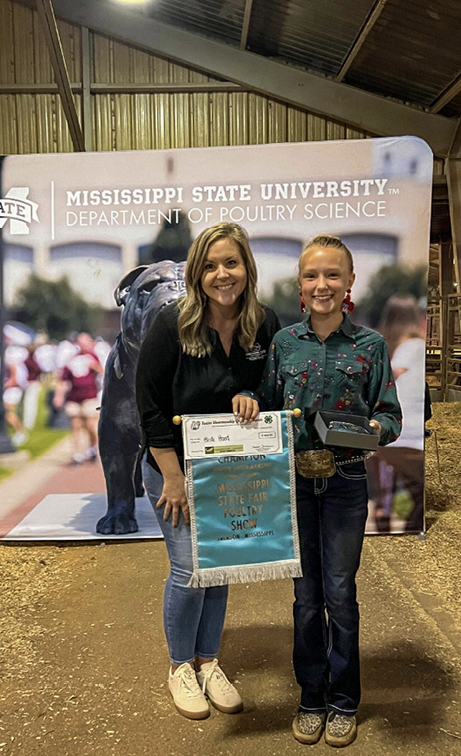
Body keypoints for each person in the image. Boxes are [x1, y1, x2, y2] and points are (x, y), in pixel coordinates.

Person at [252, 235, 402, 747]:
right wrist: (246, 401)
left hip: (345, 481)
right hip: (293, 480)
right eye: (312, 276)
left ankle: (343, 701)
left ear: (349, 283)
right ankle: (309, 696)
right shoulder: (283, 344)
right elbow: (266, 401)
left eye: (333, 275)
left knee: (340, 593)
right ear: (300, 285)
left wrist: (373, 431)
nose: (323, 285)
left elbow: (391, 416)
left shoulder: (371, 347)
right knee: (304, 596)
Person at [135, 222, 280, 720]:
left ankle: (208, 661)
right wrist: (171, 477)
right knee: (187, 567)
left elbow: (274, 386)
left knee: (219, 567)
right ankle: (180, 667)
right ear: (197, 273)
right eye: (212, 265)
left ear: (247, 269)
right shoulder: (172, 323)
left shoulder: (264, 322)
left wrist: (255, 396)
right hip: (173, 467)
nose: (223, 274)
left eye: (232, 263)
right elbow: (149, 406)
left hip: (231, 468)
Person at [369, 295, 426, 533]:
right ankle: (398, 518)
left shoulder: (393, 346)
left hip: (395, 432)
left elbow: (386, 380)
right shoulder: (416, 345)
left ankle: (383, 509)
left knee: (382, 456)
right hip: (413, 434)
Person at [53, 332, 104, 464]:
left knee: (91, 425)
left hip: (90, 396)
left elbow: (103, 374)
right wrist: (59, 396)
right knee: (76, 426)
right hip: (74, 397)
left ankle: (93, 447)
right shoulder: (72, 359)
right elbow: (63, 380)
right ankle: (77, 453)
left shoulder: (94, 358)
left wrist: (95, 366)